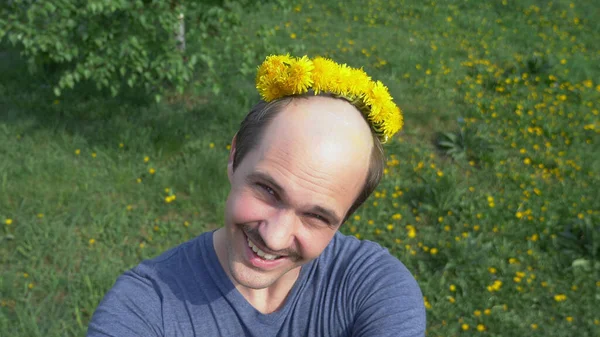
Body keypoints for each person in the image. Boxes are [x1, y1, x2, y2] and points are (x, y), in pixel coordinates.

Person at [87, 55, 426, 337]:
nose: (274, 237)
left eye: (316, 217)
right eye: (268, 190)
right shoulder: (144, 308)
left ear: (345, 217)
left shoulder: (374, 288)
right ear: (235, 156)